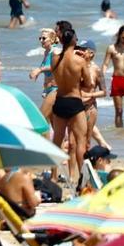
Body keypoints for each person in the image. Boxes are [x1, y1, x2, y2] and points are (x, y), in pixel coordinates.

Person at [51, 30, 90, 184]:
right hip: (74, 101)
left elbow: (56, 77)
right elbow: (89, 83)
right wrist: (85, 60)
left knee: (57, 142)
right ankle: (82, 177)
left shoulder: (54, 60)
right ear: (73, 41)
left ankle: (53, 177)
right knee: (81, 141)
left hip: (59, 100)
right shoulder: (79, 61)